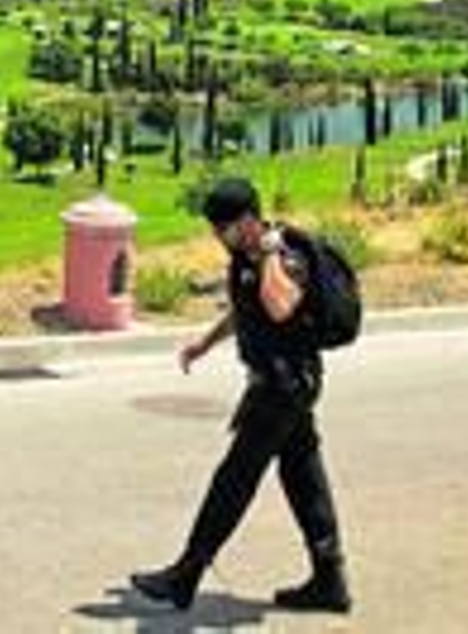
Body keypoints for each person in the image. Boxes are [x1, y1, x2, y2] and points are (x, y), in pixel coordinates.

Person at [131, 177, 350, 614]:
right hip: (282, 385)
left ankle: (186, 573)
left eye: (224, 228)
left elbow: (280, 306)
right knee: (303, 476)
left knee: (234, 478)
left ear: (249, 221)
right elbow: (246, 310)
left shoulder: (282, 256)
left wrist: (268, 253)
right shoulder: (247, 258)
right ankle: (329, 579)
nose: (218, 236)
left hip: (284, 387)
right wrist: (205, 343)